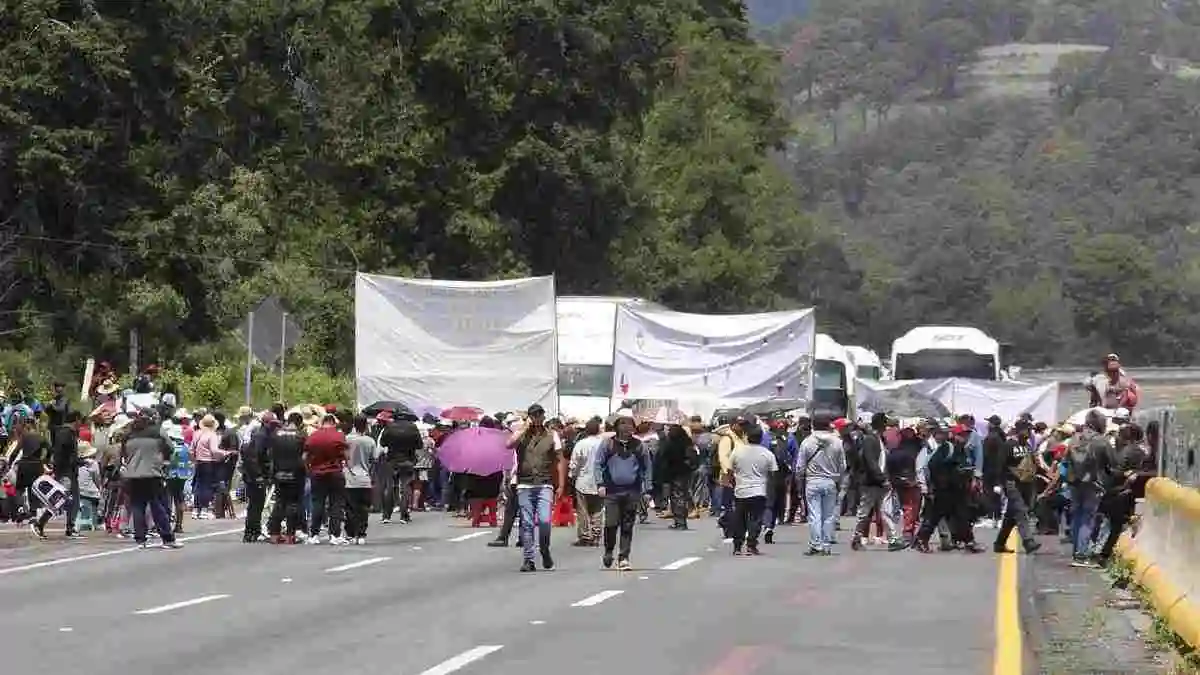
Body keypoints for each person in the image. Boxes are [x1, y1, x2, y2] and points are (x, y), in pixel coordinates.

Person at [508, 404, 567, 572]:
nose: (537, 418)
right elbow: (508, 444)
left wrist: (561, 484)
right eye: (533, 416)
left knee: (544, 521)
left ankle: (544, 549)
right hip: (524, 483)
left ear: (543, 416)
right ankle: (529, 559)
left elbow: (560, 460)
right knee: (526, 523)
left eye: (539, 415)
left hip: (544, 483)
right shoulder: (522, 435)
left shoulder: (551, 435)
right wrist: (523, 429)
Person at [595, 413, 652, 570]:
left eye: (630, 427)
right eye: (624, 426)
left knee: (627, 525)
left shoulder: (639, 446)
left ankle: (624, 557)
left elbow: (647, 468)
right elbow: (598, 464)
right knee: (611, 523)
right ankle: (608, 550)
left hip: (632, 490)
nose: (627, 429)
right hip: (612, 491)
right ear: (617, 428)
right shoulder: (608, 444)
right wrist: (600, 483)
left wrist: (647, 489)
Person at [914, 425, 981, 553]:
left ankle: (969, 542)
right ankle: (922, 540)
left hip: (957, 490)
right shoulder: (948, 447)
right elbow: (932, 464)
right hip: (944, 490)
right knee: (935, 516)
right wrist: (942, 481)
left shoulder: (963, 449)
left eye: (967, 435)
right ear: (954, 435)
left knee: (962, 516)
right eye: (962, 435)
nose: (965, 437)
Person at [120, 414, 183, 550]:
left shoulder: (128, 435)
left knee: (138, 506)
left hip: (132, 475)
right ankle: (167, 538)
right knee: (157, 505)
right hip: (152, 473)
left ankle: (140, 539)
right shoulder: (157, 432)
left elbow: (123, 454)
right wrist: (163, 460)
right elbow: (170, 448)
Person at [851, 413, 904, 552]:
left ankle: (893, 539)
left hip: (881, 481)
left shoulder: (880, 439)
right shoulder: (870, 439)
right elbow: (871, 462)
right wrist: (881, 478)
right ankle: (856, 538)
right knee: (864, 511)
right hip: (871, 482)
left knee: (885, 511)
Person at [1067, 408, 1112, 567]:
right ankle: (1081, 555)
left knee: (1077, 517)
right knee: (1088, 518)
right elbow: (1111, 463)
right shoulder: (1101, 441)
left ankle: (1076, 551)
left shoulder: (1074, 438)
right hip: (1092, 484)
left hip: (1074, 483)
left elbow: (1066, 461)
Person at [796, 415, 846, 556]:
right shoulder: (837, 442)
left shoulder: (807, 442)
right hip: (830, 481)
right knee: (829, 515)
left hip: (812, 481)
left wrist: (800, 479)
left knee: (814, 514)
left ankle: (816, 544)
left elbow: (800, 466)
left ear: (813, 425)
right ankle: (826, 545)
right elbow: (843, 465)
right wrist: (838, 478)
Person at [992, 421, 1042, 555]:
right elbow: (1000, 465)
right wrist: (999, 484)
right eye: (1027, 430)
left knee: (1011, 517)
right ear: (1019, 430)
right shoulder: (1008, 445)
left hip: (1025, 484)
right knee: (1020, 511)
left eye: (1030, 430)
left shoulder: (1027, 446)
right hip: (1011, 483)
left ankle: (999, 543)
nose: (1029, 433)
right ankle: (1028, 541)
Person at [729, 425, 777, 556]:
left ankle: (737, 546)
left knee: (740, 519)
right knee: (755, 519)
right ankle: (751, 544)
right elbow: (773, 474)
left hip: (741, 491)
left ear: (746, 436)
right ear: (761, 438)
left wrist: (733, 483)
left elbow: (729, 470)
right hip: (759, 491)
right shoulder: (767, 454)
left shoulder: (737, 451)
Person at [305, 414, 348, 545]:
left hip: (317, 473)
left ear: (322, 423)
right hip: (335, 473)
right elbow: (346, 455)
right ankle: (335, 535)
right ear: (333, 423)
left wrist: (309, 469)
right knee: (336, 504)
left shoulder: (313, 437)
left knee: (318, 503)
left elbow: (305, 456)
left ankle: (314, 534)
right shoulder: (339, 436)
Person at [266, 413, 307, 544]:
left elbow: (269, 454)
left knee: (279, 503)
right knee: (293, 504)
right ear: (299, 423)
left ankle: (274, 533)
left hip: (278, 472)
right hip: (295, 473)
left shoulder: (275, 434)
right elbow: (305, 456)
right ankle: (290, 535)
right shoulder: (301, 435)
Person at [344, 414, 382, 545]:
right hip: (364, 479)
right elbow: (374, 459)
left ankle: (350, 533)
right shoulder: (370, 441)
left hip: (348, 479)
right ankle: (361, 534)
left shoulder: (346, 439)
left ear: (354, 425)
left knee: (350, 508)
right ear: (366, 425)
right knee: (363, 508)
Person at [568, 418, 605, 546]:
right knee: (598, 509)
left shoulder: (581, 444)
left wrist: (572, 476)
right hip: (600, 481)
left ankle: (585, 535)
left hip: (583, 480)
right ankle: (596, 534)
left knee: (583, 510)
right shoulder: (604, 444)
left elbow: (575, 463)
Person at [240, 412, 276, 542]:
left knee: (257, 505)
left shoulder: (262, 435)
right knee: (256, 505)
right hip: (255, 475)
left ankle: (254, 531)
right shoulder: (260, 436)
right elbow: (254, 457)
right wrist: (259, 476)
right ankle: (251, 532)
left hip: (254, 474)